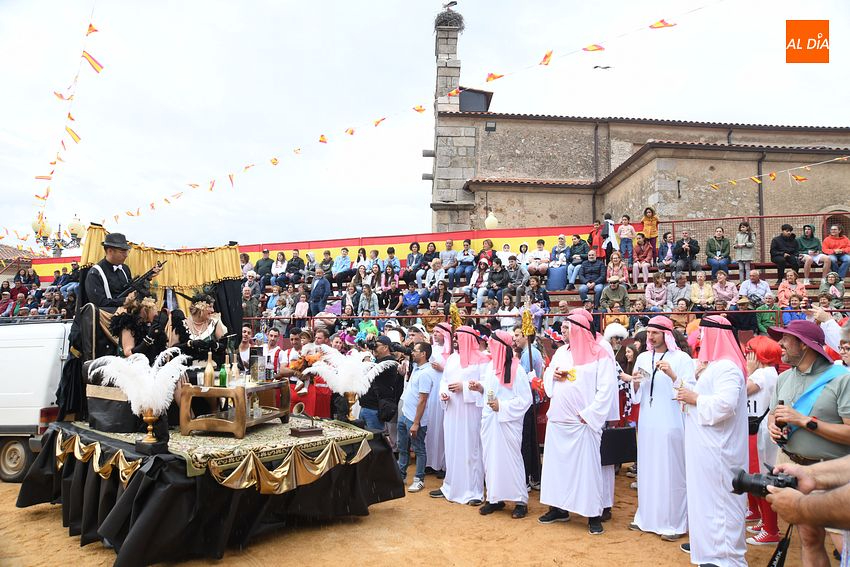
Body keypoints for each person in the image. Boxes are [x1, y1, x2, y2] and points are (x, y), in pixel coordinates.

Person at [766, 320, 850, 566]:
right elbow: (775, 414)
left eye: (786, 339)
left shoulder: (842, 379)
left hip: (832, 471)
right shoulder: (783, 377)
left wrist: (805, 421)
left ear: (803, 346)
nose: (780, 344)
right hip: (792, 466)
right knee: (809, 538)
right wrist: (773, 427)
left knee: (842, 542)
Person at [675, 315, 749, 566]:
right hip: (706, 447)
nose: (701, 338)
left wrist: (694, 398)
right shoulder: (715, 366)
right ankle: (711, 555)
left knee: (721, 501)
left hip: (719, 450)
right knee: (706, 500)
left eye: (704, 333)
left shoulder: (727, 367)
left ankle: (727, 558)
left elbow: (724, 406)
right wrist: (690, 392)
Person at [538, 309, 615, 534]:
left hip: (583, 423)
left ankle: (593, 515)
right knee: (556, 469)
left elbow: (606, 388)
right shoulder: (561, 352)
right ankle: (558, 508)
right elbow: (548, 374)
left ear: (578, 329)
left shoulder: (600, 353)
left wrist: (589, 415)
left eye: (568, 327)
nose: (564, 331)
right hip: (559, 420)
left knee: (588, 471)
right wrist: (553, 376)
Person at [628, 315, 692, 540]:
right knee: (647, 470)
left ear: (666, 334)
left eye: (656, 333)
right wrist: (634, 382)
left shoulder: (682, 358)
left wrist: (672, 374)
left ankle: (673, 523)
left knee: (671, 473)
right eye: (649, 333)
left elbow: (690, 391)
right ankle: (646, 517)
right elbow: (638, 394)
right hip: (648, 423)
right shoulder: (644, 357)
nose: (651, 337)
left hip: (671, 423)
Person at [472, 329, 532, 519]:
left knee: (512, 460)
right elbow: (491, 393)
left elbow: (525, 399)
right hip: (490, 421)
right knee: (491, 460)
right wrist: (480, 388)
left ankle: (520, 500)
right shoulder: (491, 367)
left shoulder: (518, 370)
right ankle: (495, 498)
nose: (489, 346)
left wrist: (502, 406)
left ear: (501, 346)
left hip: (508, 423)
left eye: (492, 344)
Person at [431, 325, 489, 505]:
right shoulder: (453, 359)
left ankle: (474, 492)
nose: (455, 340)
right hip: (452, 409)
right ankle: (450, 486)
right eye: (455, 337)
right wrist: (444, 393)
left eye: (460, 337)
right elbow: (445, 381)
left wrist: (464, 387)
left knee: (471, 449)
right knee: (452, 447)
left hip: (471, 411)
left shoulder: (483, 359)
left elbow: (486, 385)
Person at [742, 335, 782, 546]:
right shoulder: (765, 372)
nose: (747, 354)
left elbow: (742, 392)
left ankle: (771, 530)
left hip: (760, 431)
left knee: (762, 478)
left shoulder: (764, 373)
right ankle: (763, 520)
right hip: (755, 428)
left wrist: (748, 371)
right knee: (755, 475)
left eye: (751, 350)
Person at [397, 342, 436, 493]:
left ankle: (419, 479)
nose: (412, 352)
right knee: (402, 447)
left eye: (415, 350)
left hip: (415, 420)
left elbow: (423, 399)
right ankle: (401, 476)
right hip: (405, 415)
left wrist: (416, 423)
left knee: (418, 449)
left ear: (423, 354)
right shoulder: (417, 368)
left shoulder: (426, 373)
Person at [85, 232, 158, 312]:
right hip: (107, 317)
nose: (126, 255)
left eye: (127, 251)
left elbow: (130, 288)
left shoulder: (125, 268)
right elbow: (99, 302)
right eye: (122, 252)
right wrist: (123, 300)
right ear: (110, 251)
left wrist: (148, 278)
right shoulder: (95, 273)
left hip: (127, 312)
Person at [513, 326, 543, 491]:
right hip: (533, 400)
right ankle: (535, 476)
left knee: (526, 440)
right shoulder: (532, 352)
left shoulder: (528, 355)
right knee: (531, 439)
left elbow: (524, 380)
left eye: (518, 335)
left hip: (528, 401)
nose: (515, 338)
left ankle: (526, 477)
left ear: (525, 336)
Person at [358, 336, 404, 431]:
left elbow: (373, 371)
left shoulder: (390, 363)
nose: (374, 348)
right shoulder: (377, 361)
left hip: (374, 409)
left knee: (375, 442)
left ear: (385, 347)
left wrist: (367, 356)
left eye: (376, 346)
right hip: (365, 406)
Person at [425, 323, 452, 478]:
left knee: (441, 429)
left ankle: (442, 464)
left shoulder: (451, 352)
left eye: (438, 332)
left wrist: (443, 369)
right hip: (430, 391)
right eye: (433, 332)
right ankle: (430, 462)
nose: (434, 334)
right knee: (430, 426)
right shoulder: (431, 349)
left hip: (443, 392)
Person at [108, 296, 168, 363]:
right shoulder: (128, 326)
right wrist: (149, 338)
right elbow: (128, 353)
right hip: (130, 367)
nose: (156, 314)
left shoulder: (149, 326)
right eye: (154, 310)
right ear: (145, 311)